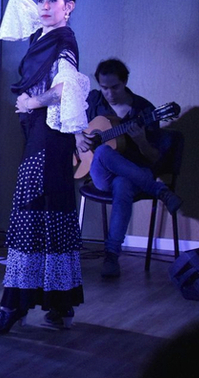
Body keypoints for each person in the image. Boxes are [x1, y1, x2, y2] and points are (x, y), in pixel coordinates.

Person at [0, 0, 90, 333]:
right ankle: (60, 305)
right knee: (54, 214)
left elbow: (66, 85)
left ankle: (13, 306)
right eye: (43, 0)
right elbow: (19, 4)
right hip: (46, 137)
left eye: (53, 0)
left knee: (30, 212)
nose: (44, 6)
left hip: (47, 138)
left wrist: (33, 100)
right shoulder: (42, 35)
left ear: (70, 7)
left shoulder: (64, 38)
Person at [77, 58, 182, 278]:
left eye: (114, 87)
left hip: (135, 176)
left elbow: (154, 158)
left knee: (123, 184)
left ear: (125, 82)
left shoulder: (144, 110)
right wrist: (77, 137)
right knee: (104, 152)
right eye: (104, 87)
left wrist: (142, 141)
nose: (109, 93)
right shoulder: (94, 102)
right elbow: (68, 122)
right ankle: (160, 191)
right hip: (100, 175)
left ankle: (111, 256)